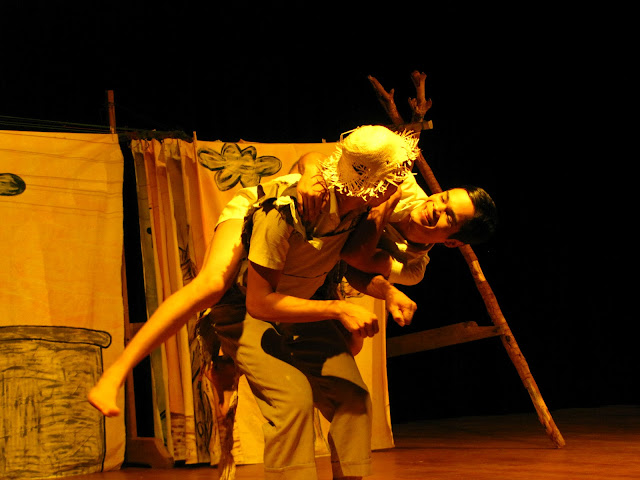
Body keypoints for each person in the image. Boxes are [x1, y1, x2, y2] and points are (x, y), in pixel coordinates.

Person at [206, 124, 421, 480]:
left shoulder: (358, 212)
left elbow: (353, 265)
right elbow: (259, 302)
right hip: (246, 309)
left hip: (302, 306)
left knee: (353, 400)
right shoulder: (288, 209)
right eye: (396, 177)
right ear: (376, 187)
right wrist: (338, 308)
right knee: (292, 401)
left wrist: (389, 292)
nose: (401, 184)